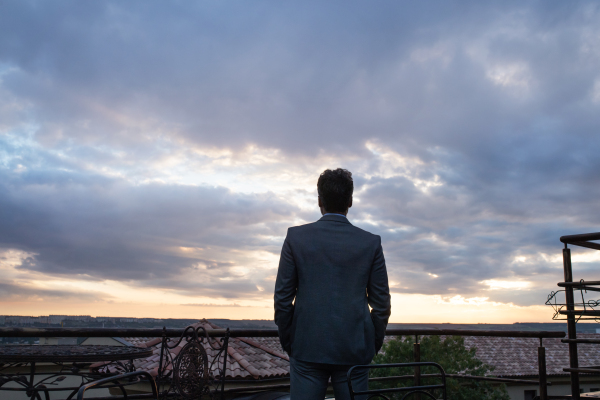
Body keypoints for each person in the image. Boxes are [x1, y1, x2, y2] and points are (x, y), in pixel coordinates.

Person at [274, 168, 391, 399]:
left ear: (319, 201)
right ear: (350, 201)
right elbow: (382, 305)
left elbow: (282, 299)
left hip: (307, 347)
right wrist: (370, 345)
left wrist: (291, 342)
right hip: (354, 350)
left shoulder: (295, 238)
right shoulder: (370, 243)